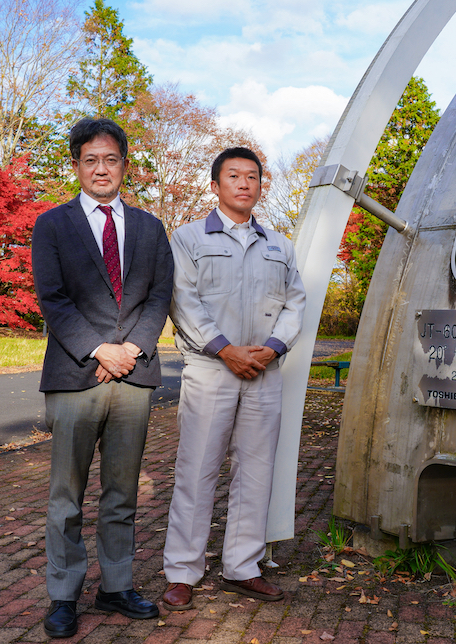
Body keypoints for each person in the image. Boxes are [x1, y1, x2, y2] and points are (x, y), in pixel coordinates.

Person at [32, 118, 174, 638]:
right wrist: (100, 349)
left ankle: (115, 585)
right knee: (66, 495)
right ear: (76, 166)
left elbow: (160, 294)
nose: (100, 169)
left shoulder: (149, 227)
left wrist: (131, 348)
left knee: (122, 492)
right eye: (90, 159)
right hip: (76, 376)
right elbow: (53, 299)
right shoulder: (52, 225)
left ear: (124, 167)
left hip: (135, 376)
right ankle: (64, 594)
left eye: (110, 159)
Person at [160, 146, 306, 611]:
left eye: (252, 177)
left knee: (257, 470)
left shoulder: (280, 246)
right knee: (197, 470)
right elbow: (182, 300)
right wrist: (224, 349)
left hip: (264, 370)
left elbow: (295, 303)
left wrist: (274, 347)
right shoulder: (186, 239)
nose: (244, 183)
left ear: (262, 186)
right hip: (209, 369)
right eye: (233, 176)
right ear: (216, 185)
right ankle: (183, 571)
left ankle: (243, 567)